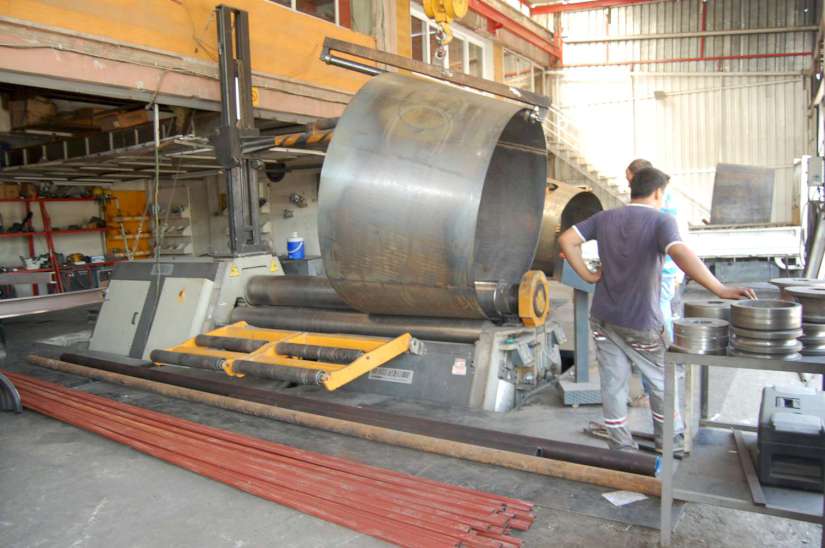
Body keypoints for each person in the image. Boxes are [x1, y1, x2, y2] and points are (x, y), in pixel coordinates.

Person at [558, 167, 756, 452]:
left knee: (613, 382)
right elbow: (680, 252)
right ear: (658, 193)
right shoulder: (661, 221)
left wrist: (588, 276)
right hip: (641, 322)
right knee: (663, 379)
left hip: (603, 318)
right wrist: (719, 289)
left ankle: (621, 446)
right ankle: (669, 442)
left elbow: (566, 240)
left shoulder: (605, 218)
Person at [625, 159, 684, 343]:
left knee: (660, 309)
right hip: (660, 269)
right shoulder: (665, 198)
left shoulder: (660, 203)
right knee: (659, 308)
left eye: (630, 180)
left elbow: (675, 244)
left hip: (661, 270)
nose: (630, 186)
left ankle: (663, 348)